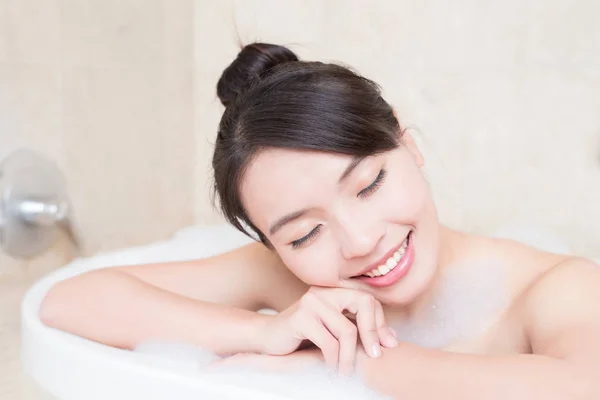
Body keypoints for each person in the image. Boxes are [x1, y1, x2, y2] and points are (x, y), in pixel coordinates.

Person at [40, 43, 600, 399]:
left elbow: (583, 386)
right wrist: (264, 332)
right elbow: (70, 302)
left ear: (407, 142)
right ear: (271, 244)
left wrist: (348, 365)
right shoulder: (287, 283)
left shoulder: (553, 288)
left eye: (369, 185)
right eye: (304, 234)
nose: (360, 241)